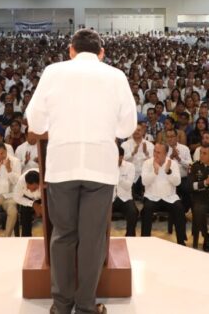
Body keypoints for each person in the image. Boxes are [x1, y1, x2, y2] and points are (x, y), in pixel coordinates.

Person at [26, 29, 137, 314]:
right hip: (100, 168)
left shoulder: (53, 72)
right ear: (102, 53)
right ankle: (86, 306)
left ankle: (61, 305)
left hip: (62, 166)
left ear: (71, 50)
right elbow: (128, 127)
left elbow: (35, 121)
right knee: (92, 239)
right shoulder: (116, 76)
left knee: (63, 235)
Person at [140, 143, 187, 245]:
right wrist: (155, 172)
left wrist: (168, 171)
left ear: (165, 154)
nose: (155, 154)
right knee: (146, 210)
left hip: (169, 197)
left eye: (158, 152)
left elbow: (177, 182)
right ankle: (144, 241)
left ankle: (181, 241)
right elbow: (144, 182)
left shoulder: (172, 164)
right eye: (154, 151)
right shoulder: (147, 163)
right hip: (152, 197)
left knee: (179, 208)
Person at [111, 145, 138, 237]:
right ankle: (103, 238)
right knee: (100, 211)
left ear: (121, 157)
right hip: (111, 199)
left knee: (133, 212)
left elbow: (128, 185)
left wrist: (116, 174)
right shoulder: (108, 166)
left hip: (125, 198)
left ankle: (130, 237)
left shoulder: (130, 167)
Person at [14, 170, 43, 237]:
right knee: (24, 212)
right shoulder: (21, 181)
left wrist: (41, 206)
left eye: (34, 189)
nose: (31, 191)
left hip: (43, 198)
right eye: (29, 188)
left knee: (48, 213)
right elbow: (16, 197)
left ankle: (49, 237)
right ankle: (26, 237)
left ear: (39, 183)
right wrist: (33, 204)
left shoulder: (44, 180)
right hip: (28, 198)